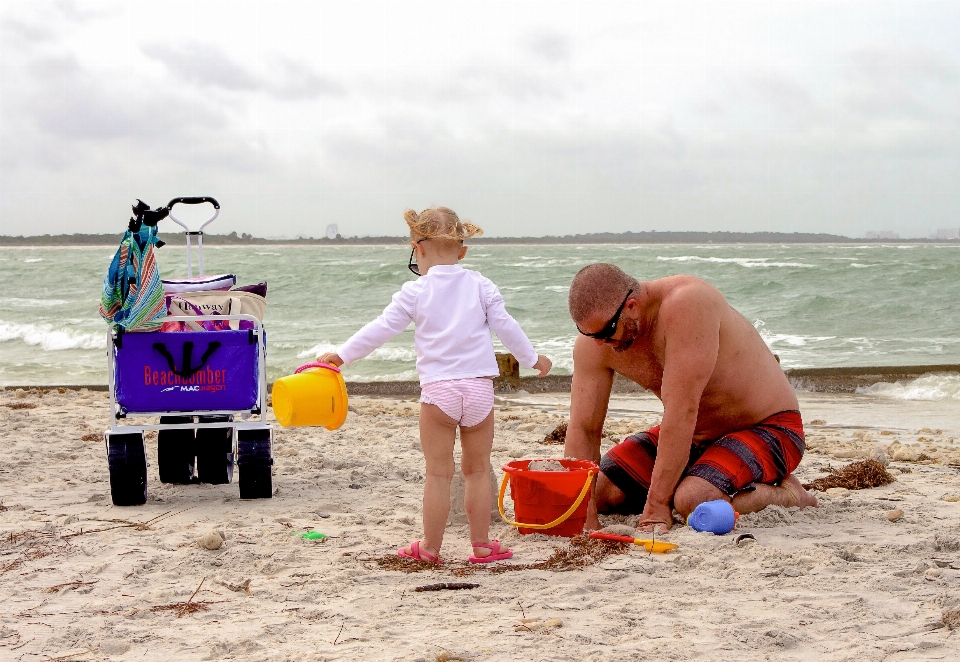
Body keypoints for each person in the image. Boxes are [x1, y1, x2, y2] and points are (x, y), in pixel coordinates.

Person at [317, 207, 552, 564]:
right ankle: (482, 545)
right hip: (478, 392)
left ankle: (429, 547)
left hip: (439, 393)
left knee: (438, 474)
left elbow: (380, 329)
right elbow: (507, 327)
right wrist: (534, 359)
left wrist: (341, 356)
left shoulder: (415, 291)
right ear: (462, 251)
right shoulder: (481, 285)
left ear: (418, 248)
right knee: (477, 471)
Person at [564, 263, 817, 533]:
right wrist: (584, 513)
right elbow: (584, 428)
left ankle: (790, 496)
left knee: (693, 500)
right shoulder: (598, 343)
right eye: (589, 334)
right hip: (697, 436)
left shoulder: (687, 303)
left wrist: (657, 506)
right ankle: (703, 475)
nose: (599, 343)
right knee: (602, 490)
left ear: (632, 306)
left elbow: (681, 411)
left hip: (769, 428)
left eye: (605, 332)